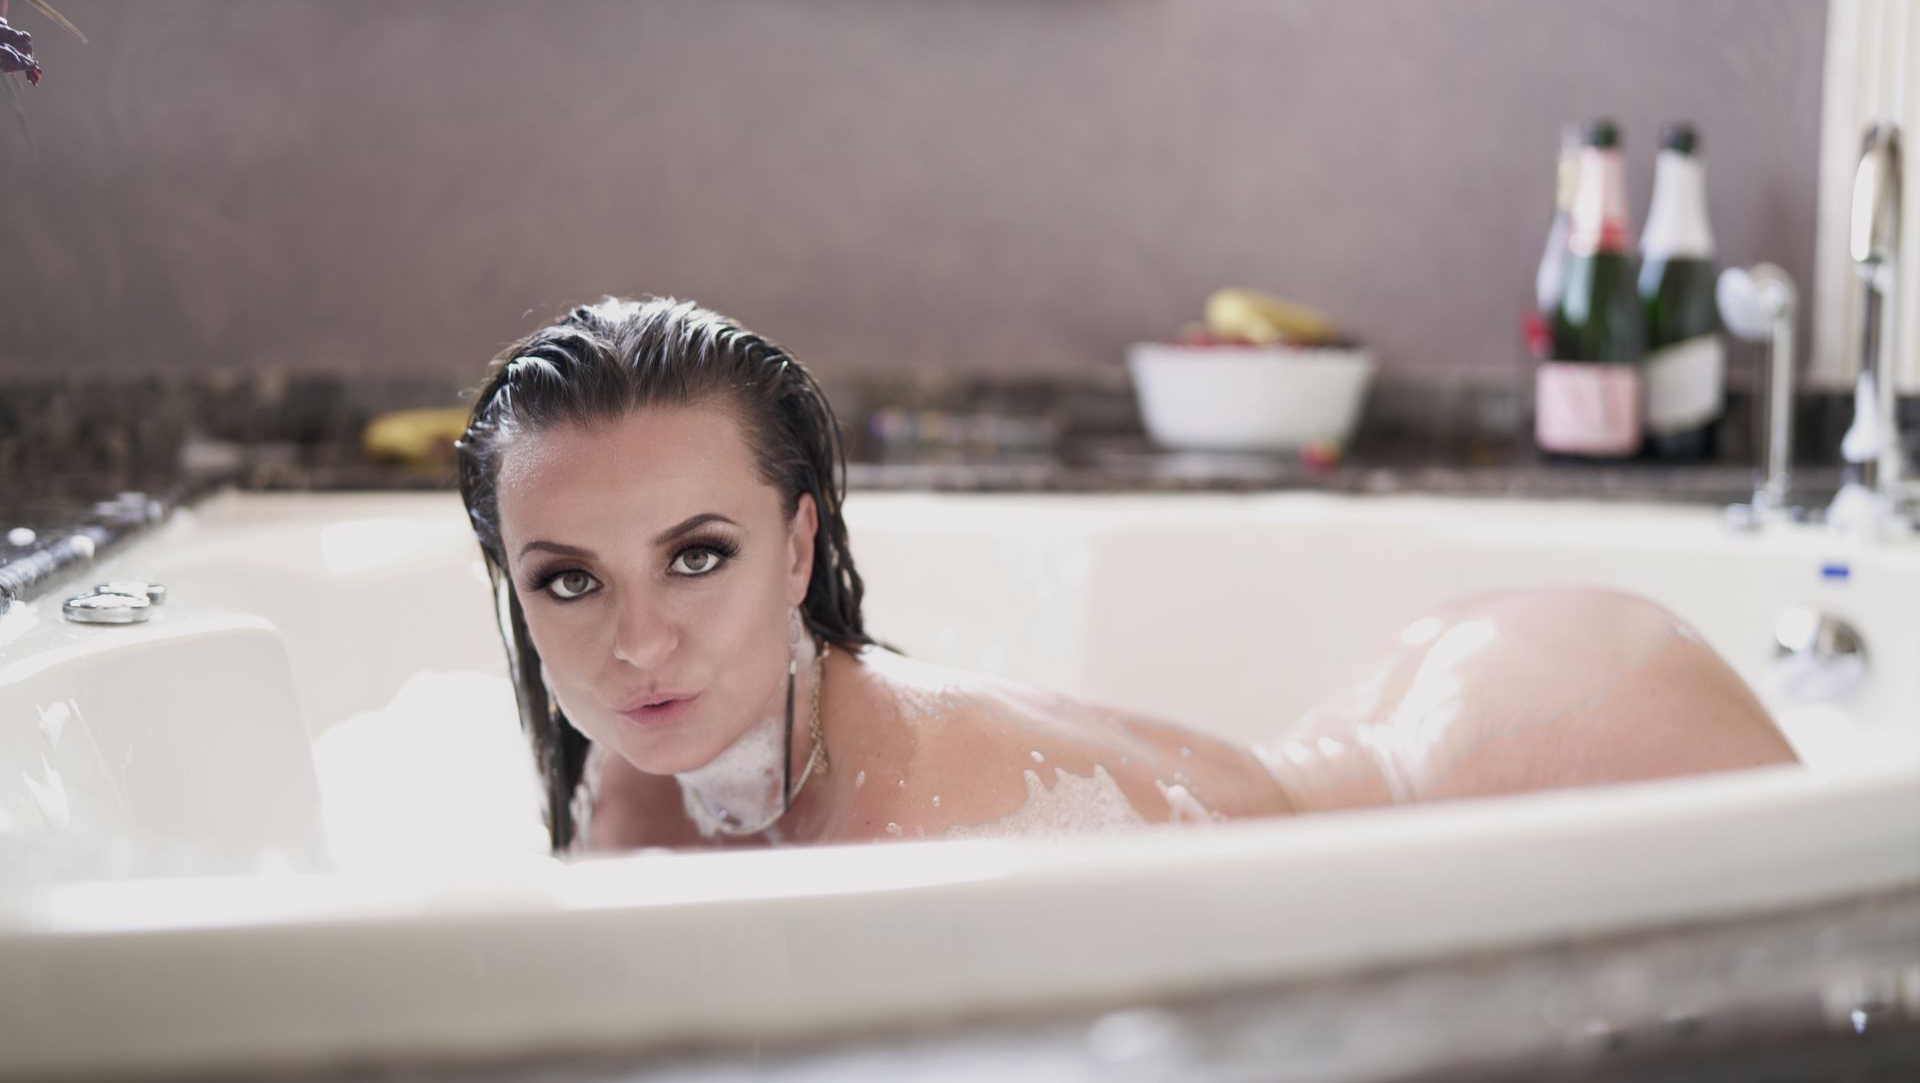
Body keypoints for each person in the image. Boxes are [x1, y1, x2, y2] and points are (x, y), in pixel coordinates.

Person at [455, 297, 1801, 856]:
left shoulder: (920, 820)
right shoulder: (639, 761)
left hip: (1561, 730)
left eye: (698, 556)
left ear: (800, 543)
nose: (638, 643)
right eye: (569, 580)